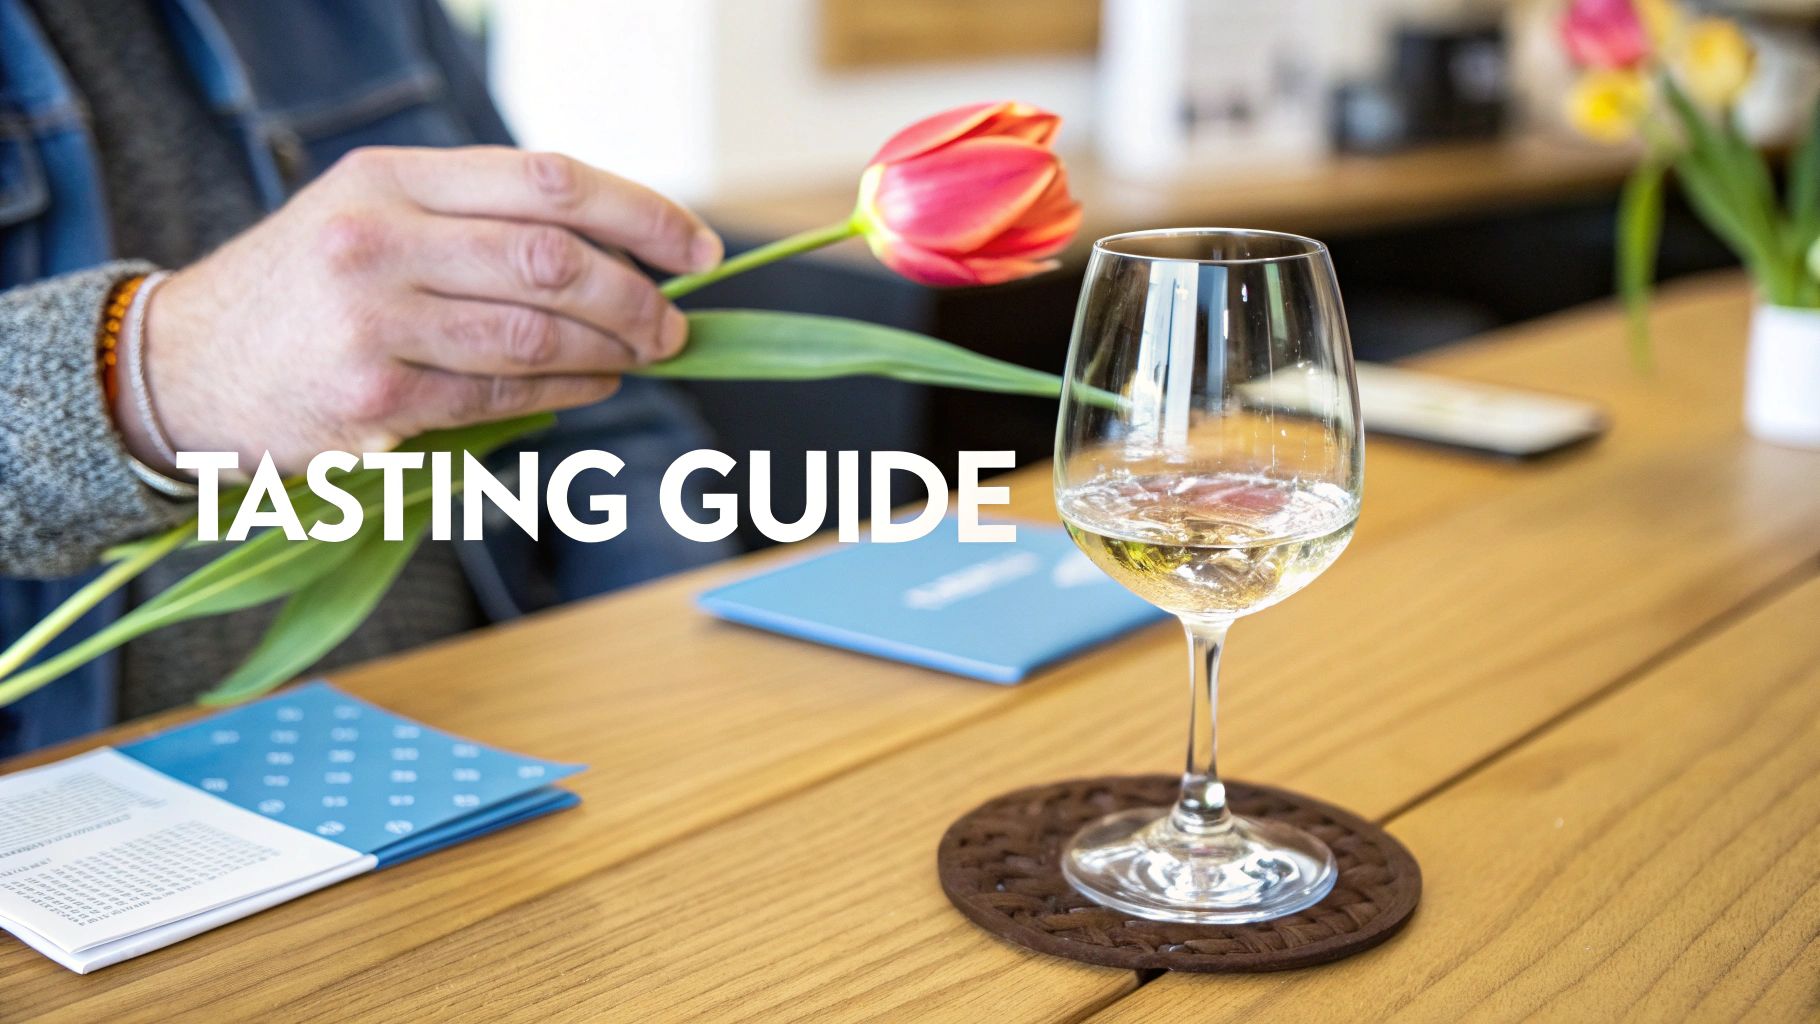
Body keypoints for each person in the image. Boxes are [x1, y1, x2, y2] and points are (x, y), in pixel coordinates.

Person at [0, 0, 734, 754]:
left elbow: (605, 416)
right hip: (86, 822)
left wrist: (663, 695)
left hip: (491, 733)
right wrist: (144, 369)